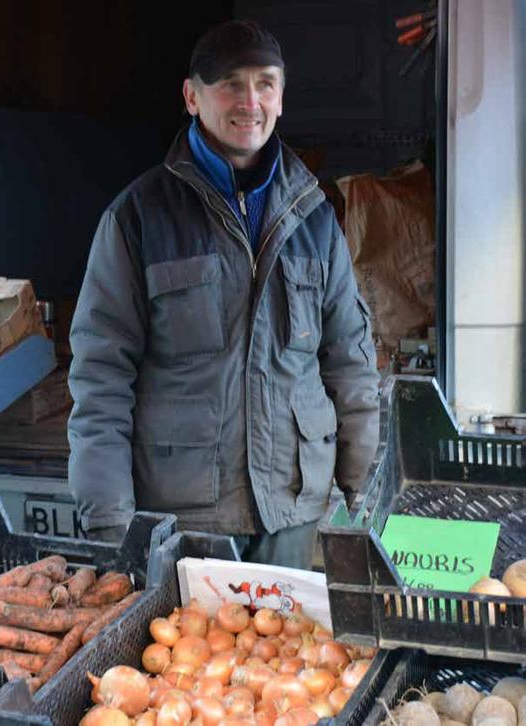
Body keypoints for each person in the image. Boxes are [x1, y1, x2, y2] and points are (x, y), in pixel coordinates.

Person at [66, 19, 379, 569]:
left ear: (281, 96)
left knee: (292, 652)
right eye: (231, 83)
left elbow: (349, 360)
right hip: (188, 522)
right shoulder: (138, 218)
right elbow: (101, 378)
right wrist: (111, 522)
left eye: (265, 83)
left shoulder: (315, 217)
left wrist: (361, 489)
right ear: (192, 96)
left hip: (295, 510)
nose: (250, 101)